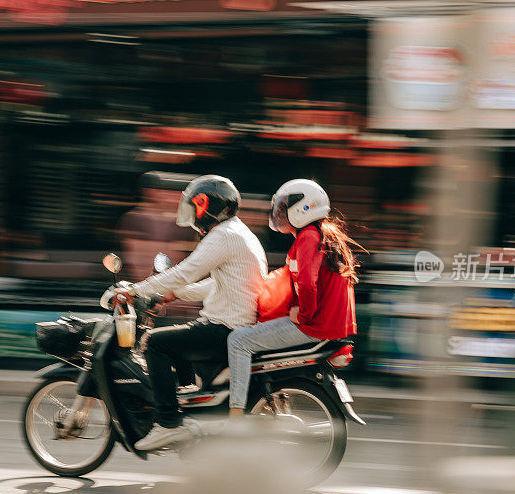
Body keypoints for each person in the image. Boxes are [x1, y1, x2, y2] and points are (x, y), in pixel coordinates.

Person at [111, 175, 267, 450]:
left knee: (156, 343)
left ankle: (168, 424)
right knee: (179, 338)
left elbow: (186, 271)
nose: (194, 214)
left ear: (208, 205)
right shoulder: (238, 232)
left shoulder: (223, 235)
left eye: (196, 206)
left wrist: (135, 291)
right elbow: (216, 284)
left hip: (226, 328)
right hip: (236, 323)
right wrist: (175, 293)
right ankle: (187, 410)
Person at [227, 179, 358, 418]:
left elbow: (308, 283)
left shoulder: (308, 237)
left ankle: (235, 413)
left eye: (284, 207)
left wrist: (303, 314)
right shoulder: (320, 234)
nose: (279, 213)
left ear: (303, 208)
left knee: (238, 340)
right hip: (326, 325)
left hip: (314, 325)